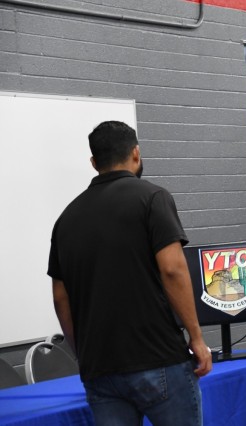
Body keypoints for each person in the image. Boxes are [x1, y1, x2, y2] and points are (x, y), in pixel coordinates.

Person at [47, 121, 212, 426]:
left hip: (101, 370)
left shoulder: (65, 220)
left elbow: (61, 298)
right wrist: (197, 339)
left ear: (94, 163)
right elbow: (173, 270)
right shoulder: (152, 198)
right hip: (158, 359)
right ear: (136, 154)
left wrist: (83, 353)